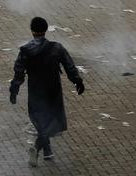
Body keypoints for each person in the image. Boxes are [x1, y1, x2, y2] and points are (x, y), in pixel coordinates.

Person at [9, 16, 85, 167]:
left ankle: (45, 150)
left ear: (32, 31)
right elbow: (69, 66)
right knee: (52, 121)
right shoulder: (57, 48)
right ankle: (38, 149)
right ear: (45, 30)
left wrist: (14, 90)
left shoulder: (25, 50)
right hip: (53, 91)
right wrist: (78, 81)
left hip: (35, 91)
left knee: (40, 121)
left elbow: (18, 72)